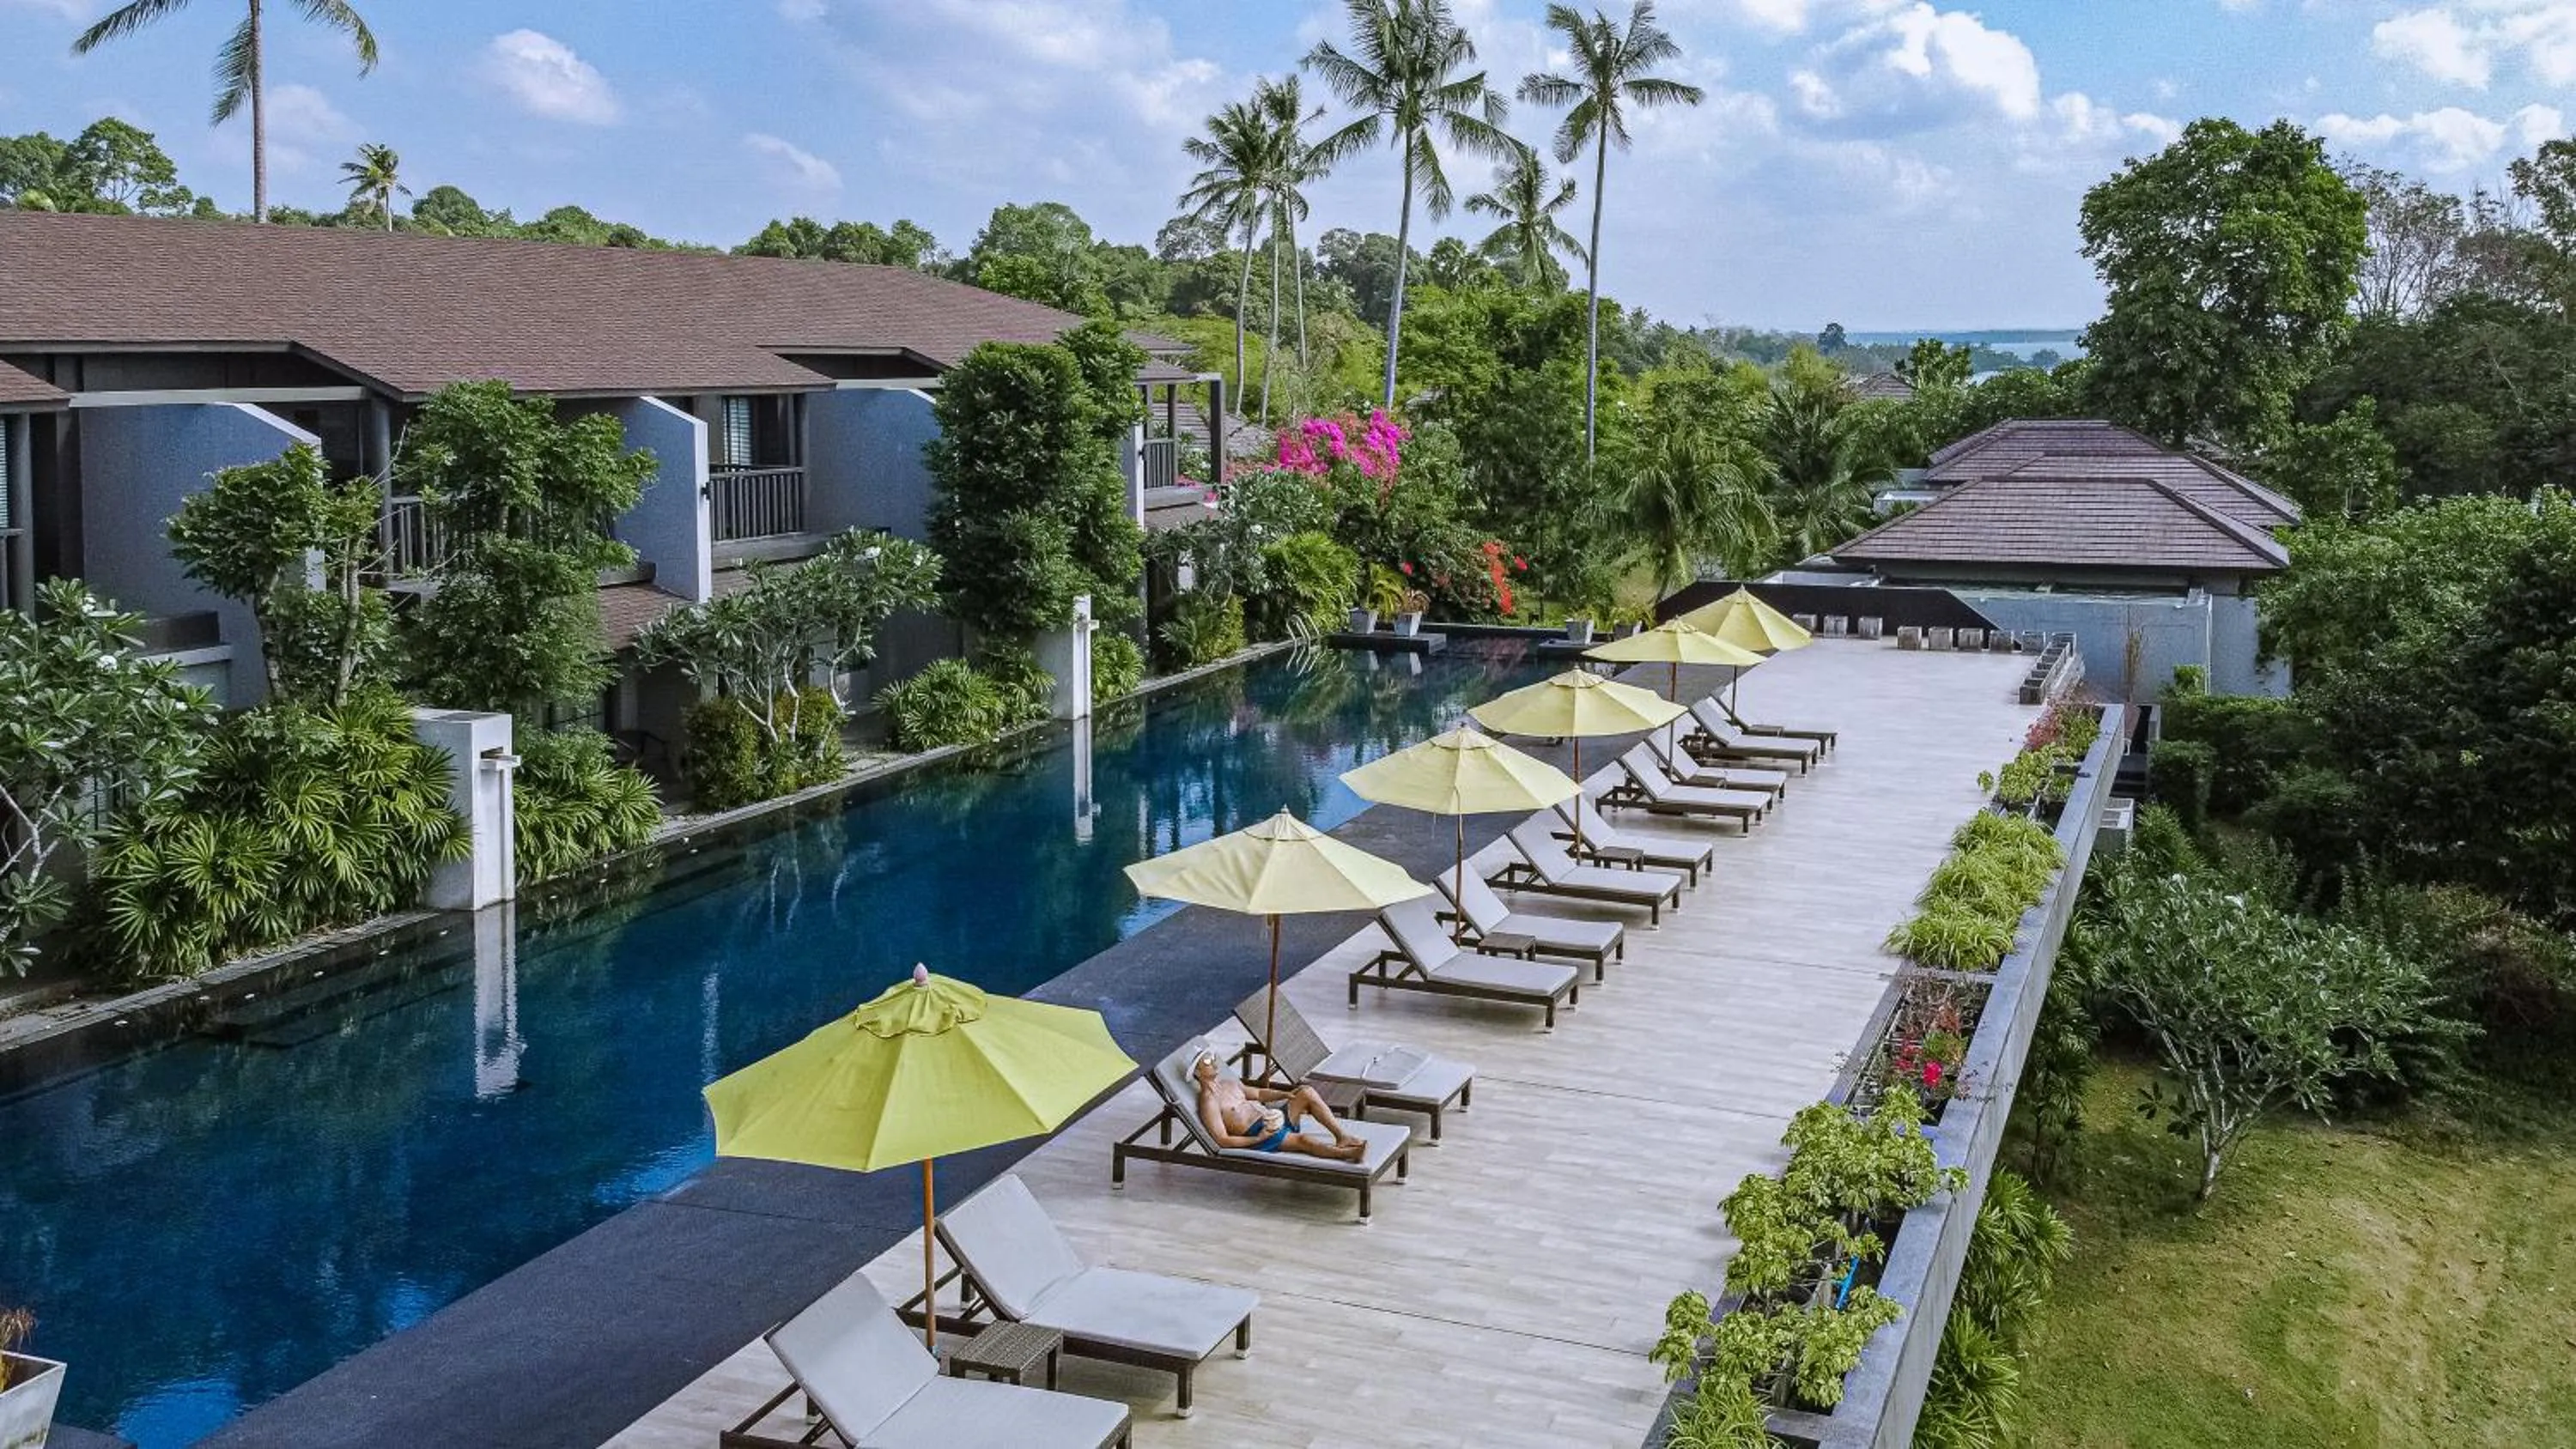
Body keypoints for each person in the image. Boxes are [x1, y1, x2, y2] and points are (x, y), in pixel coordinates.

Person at [1190, 1050, 1366, 1161]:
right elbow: (1222, 1140)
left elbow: (1259, 1094)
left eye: (1212, 1057)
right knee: (1303, 1140)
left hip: (1273, 1118)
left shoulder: (1229, 1083)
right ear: (1197, 1072)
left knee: (1306, 1092)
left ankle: (1342, 1137)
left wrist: (1284, 1094)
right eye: (1206, 1061)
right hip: (1259, 1135)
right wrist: (1258, 1138)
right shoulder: (1208, 1102)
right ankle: (1346, 1155)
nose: (1213, 1061)